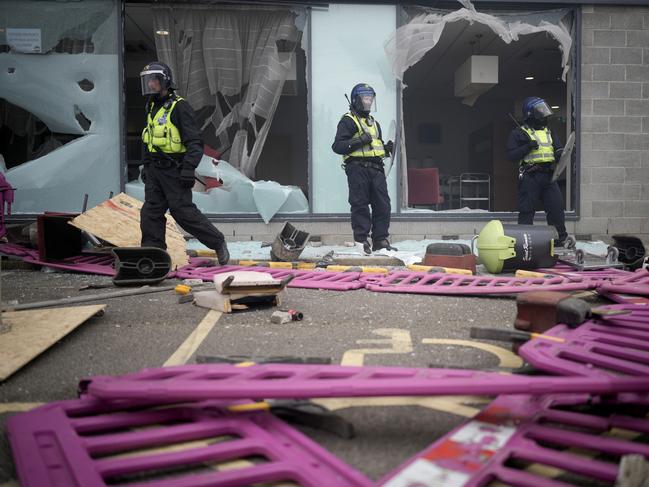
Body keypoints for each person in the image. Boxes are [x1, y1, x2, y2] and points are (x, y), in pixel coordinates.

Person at [139, 61, 229, 264]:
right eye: (148, 81)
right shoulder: (151, 106)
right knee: (150, 211)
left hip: (175, 170)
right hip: (155, 169)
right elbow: (148, 138)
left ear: (164, 81)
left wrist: (189, 168)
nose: (150, 85)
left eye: (153, 80)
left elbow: (195, 142)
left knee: (182, 212)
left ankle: (218, 242)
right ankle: (153, 254)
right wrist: (146, 165)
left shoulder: (180, 107)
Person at [331, 83, 396, 255]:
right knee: (360, 205)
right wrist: (360, 140)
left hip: (377, 169)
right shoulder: (348, 120)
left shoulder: (374, 123)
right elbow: (337, 146)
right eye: (365, 99)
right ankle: (361, 241)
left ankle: (380, 240)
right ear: (356, 100)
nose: (368, 103)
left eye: (370, 99)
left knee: (383, 206)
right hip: (357, 168)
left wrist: (386, 149)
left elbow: (375, 146)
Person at [506, 96, 567, 246]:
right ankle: (524, 243)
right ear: (530, 114)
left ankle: (560, 240)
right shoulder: (518, 133)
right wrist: (527, 147)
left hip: (549, 176)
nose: (544, 114)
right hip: (530, 176)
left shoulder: (549, 132)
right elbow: (511, 156)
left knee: (556, 208)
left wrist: (560, 154)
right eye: (540, 111)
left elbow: (558, 149)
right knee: (527, 211)